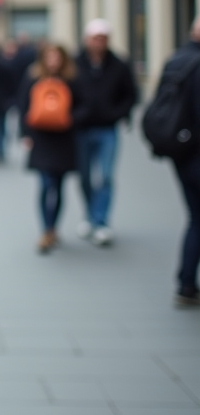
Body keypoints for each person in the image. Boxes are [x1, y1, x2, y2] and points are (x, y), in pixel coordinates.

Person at [71, 18, 138, 247]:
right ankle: (89, 215)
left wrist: (116, 114)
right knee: (85, 176)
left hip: (107, 129)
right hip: (80, 130)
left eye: (103, 38)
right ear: (87, 39)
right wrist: (75, 115)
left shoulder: (119, 64)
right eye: (95, 38)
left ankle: (101, 221)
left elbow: (131, 95)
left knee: (106, 176)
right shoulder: (75, 63)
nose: (99, 42)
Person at [18, 44, 81, 254]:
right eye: (50, 57)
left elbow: (83, 104)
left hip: (63, 139)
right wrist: (25, 134)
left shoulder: (72, 80)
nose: (53, 61)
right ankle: (45, 229)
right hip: (41, 138)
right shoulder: (33, 78)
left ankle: (53, 227)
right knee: (45, 184)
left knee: (59, 185)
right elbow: (23, 104)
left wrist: (71, 119)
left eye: (57, 57)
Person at [158, 15, 200, 307]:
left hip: (180, 150)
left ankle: (186, 283)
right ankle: (186, 283)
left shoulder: (177, 60)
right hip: (194, 151)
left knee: (195, 217)